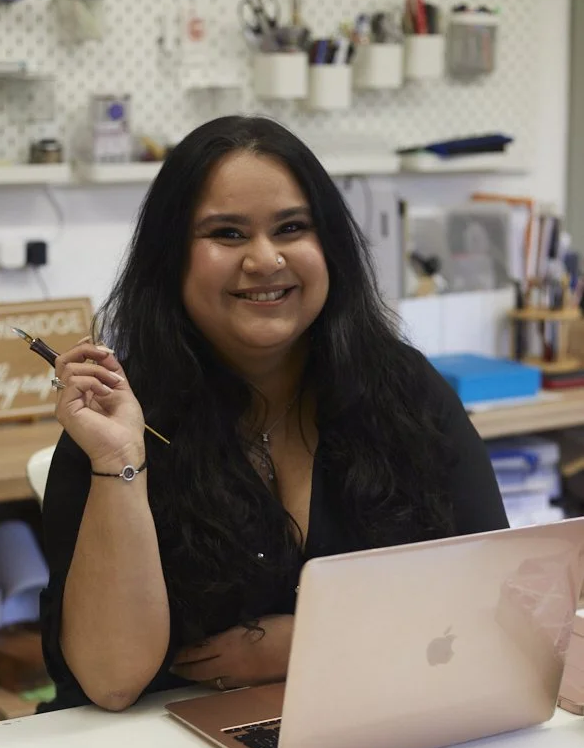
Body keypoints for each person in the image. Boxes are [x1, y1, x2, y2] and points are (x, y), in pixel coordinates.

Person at [40, 115, 507, 713]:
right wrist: (119, 461)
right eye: (227, 234)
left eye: (291, 228)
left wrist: (316, 638)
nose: (265, 260)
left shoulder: (405, 390)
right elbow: (112, 681)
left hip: (377, 720)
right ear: (171, 258)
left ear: (328, 246)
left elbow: (496, 601)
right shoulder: (117, 413)